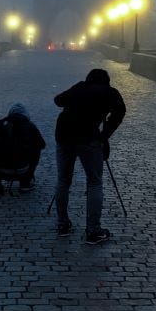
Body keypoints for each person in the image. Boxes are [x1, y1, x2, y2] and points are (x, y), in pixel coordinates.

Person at [53, 67, 126, 245]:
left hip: (64, 135)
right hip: (88, 138)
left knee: (63, 180)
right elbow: (120, 112)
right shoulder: (110, 93)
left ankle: (63, 224)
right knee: (94, 181)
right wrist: (105, 133)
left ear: (88, 79)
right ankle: (93, 231)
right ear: (106, 81)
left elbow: (58, 100)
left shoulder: (79, 87)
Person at [0, 102, 45, 194]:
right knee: (36, 150)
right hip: (22, 169)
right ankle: (25, 182)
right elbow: (41, 144)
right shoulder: (30, 126)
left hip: (0, 168)